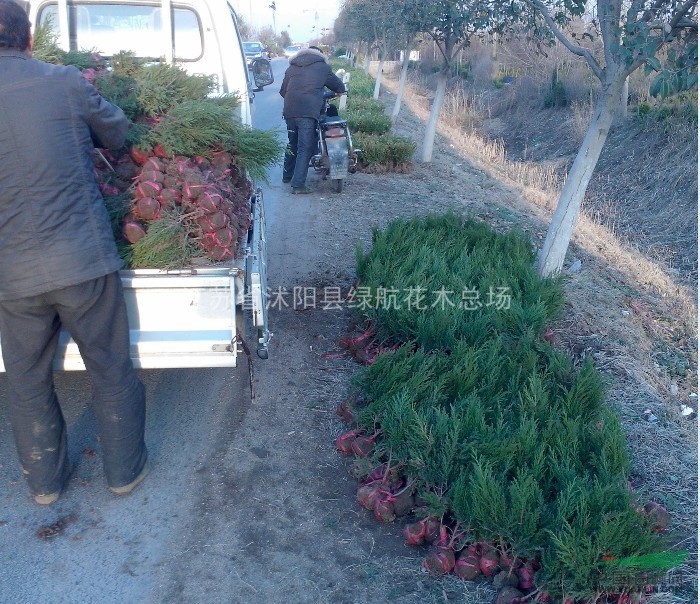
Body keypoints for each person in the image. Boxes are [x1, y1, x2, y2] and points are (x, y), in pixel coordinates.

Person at [0, 0, 148, 505]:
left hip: (12, 275)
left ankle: (45, 485)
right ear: (28, 39)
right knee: (110, 366)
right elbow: (118, 130)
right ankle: (124, 473)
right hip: (82, 260)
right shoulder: (62, 81)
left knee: (25, 381)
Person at [279, 45, 345, 194]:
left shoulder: (291, 68)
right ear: (319, 55)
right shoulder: (323, 67)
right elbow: (339, 88)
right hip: (308, 112)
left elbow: (283, 91)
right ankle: (298, 185)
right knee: (305, 147)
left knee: (292, 143)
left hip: (290, 111)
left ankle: (287, 175)